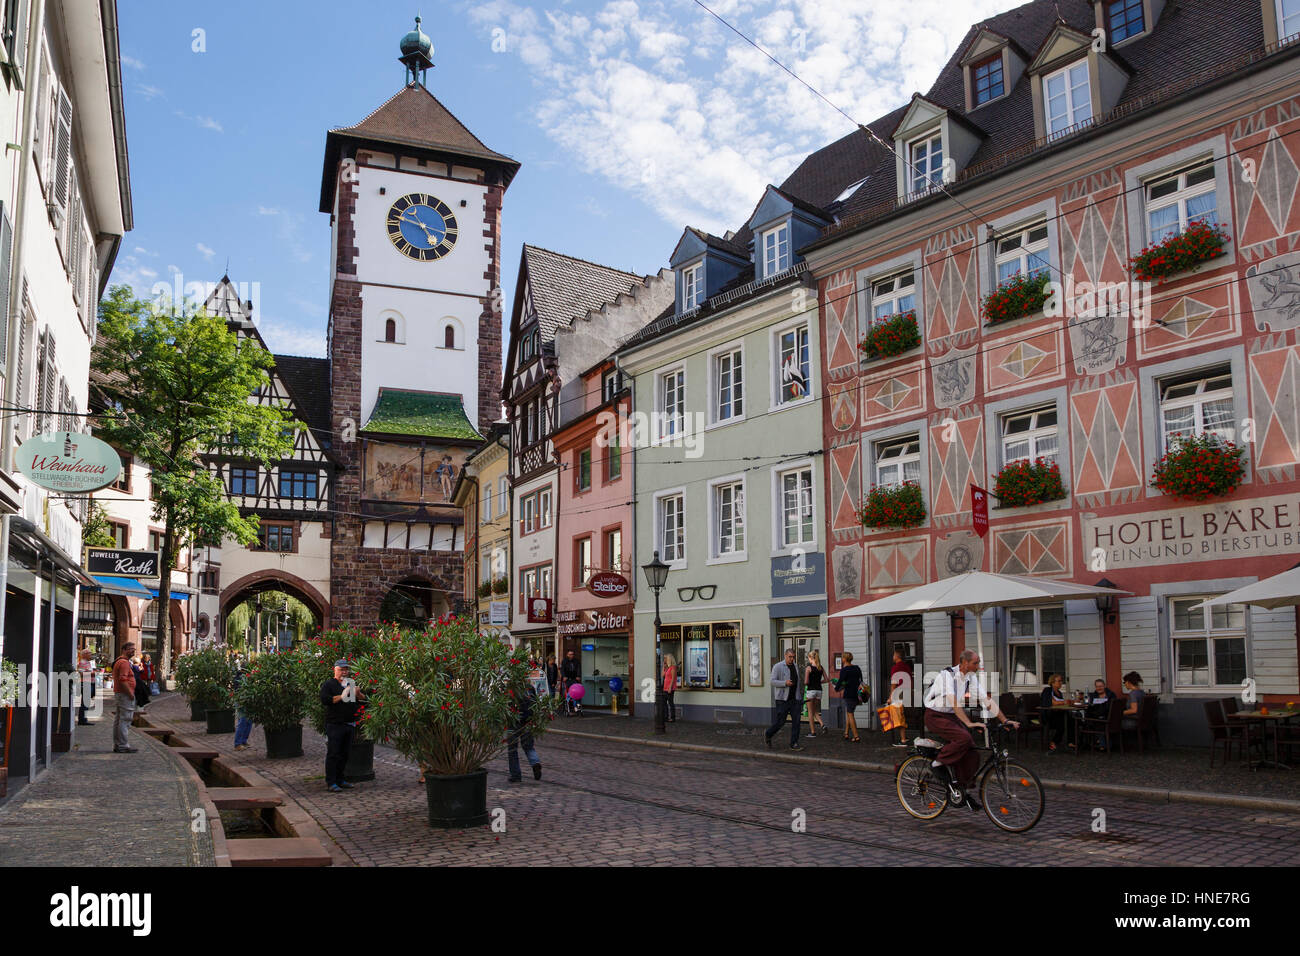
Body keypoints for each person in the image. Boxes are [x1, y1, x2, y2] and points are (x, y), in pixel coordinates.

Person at [923, 649, 1018, 810]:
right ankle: (937, 763)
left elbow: (985, 699)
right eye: (975, 662)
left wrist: (1005, 720)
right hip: (935, 715)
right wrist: (969, 723)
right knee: (964, 738)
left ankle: (961, 790)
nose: (978, 665)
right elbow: (954, 703)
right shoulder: (947, 676)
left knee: (972, 750)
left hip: (950, 716)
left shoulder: (970, 678)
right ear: (964, 663)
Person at [320, 659, 366, 793]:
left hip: (349, 724)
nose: (344, 672)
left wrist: (358, 694)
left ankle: (341, 779)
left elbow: (362, 700)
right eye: (341, 669)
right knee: (334, 753)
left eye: (346, 669)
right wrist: (342, 695)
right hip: (335, 724)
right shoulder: (329, 684)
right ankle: (331, 782)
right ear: (335, 670)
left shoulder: (350, 683)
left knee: (345, 754)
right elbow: (326, 700)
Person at [764, 647, 804, 750]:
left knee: (797, 721)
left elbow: (798, 682)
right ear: (785, 656)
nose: (792, 659)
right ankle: (768, 734)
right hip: (782, 699)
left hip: (795, 699)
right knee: (781, 722)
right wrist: (784, 683)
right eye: (790, 657)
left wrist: (800, 697)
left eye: (793, 657)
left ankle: (794, 743)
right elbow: (772, 681)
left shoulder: (795, 666)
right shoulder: (778, 666)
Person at [505, 684, 542, 782]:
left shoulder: (511, 688)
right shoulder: (530, 687)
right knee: (529, 746)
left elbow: (506, 705)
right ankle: (535, 762)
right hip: (527, 721)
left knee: (512, 750)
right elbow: (535, 703)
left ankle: (515, 775)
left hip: (514, 722)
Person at [112, 642, 138, 753]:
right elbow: (123, 679)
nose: (133, 651)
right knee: (125, 719)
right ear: (124, 650)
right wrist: (130, 693)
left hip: (119, 693)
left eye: (134, 649)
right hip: (124, 694)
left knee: (118, 719)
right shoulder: (124, 663)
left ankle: (118, 744)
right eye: (130, 649)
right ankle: (123, 745)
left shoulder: (119, 661)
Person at [836, 651, 867, 742]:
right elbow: (861, 680)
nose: (842, 659)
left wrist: (836, 688)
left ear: (844, 659)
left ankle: (856, 736)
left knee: (850, 714)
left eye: (842, 658)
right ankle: (846, 733)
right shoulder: (857, 668)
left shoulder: (844, 670)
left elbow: (840, 681)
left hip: (849, 694)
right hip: (857, 694)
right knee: (849, 712)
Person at [1041, 673, 1073, 753]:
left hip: (1057, 713)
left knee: (1071, 718)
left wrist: (1066, 703)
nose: (1061, 683)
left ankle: (1071, 742)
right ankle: (1054, 742)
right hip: (1048, 716)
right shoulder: (1047, 690)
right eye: (1059, 681)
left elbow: (1060, 703)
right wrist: (1064, 702)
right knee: (1063, 721)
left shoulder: (1059, 692)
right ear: (1052, 682)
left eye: (1061, 681)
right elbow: (1053, 703)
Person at [888, 649, 914, 747]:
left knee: (899, 717)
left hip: (899, 694)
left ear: (897, 656)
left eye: (894, 655)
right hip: (908, 693)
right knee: (903, 715)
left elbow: (894, 684)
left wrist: (890, 697)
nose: (893, 656)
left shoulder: (895, 668)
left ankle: (903, 740)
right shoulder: (907, 667)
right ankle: (904, 737)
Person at [804, 650, 827, 736]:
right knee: (815, 711)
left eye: (808, 658)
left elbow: (806, 682)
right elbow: (826, 679)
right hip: (819, 691)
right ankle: (822, 725)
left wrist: (809, 682)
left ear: (810, 658)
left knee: (810, 712)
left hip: (811, 691)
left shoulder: (808, 668)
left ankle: (813, 732)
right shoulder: (821, 667)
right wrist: (819, 682)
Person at [233, 662, 253, 751]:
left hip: (245, 700)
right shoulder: (241, 677)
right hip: (241, 701)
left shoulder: (242, 676)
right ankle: (237, 743)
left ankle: (243, 741)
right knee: (243, 721)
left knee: (248, 721)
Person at [560, 649, 582, 717]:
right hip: (567, 679)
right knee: (568, 692)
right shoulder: (564, 661)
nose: (571, 656)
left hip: (574, 679)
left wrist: (578, 676)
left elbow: (578, 668)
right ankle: (568, 707)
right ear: (567, 655)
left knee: (577, 693)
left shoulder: (576, 661)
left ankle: (577, 707)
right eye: (570, 654)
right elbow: (562, 669)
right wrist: (564, 676)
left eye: (572, 654)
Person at [77, 650, 96, 726]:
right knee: (85, 703)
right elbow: (81, 673)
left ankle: (83, 719)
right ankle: (82, 720)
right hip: (86, 684)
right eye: (90, 653)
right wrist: (93, 674)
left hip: (89, 683)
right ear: (85, 654)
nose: (91, 655)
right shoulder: (82, 662)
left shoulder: (87, 662)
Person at [663, 653, 677, 722]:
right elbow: (663, 675)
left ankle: (673, 717)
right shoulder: (668, 667)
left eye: (666, 659)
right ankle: (666, 717)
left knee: (671, 703)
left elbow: (673, 679)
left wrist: (670, 687)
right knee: (664, 703)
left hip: (670, 688)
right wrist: (664, 666)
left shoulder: (673, 667)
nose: (665, 660)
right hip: (665, 687)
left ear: (669, 659)